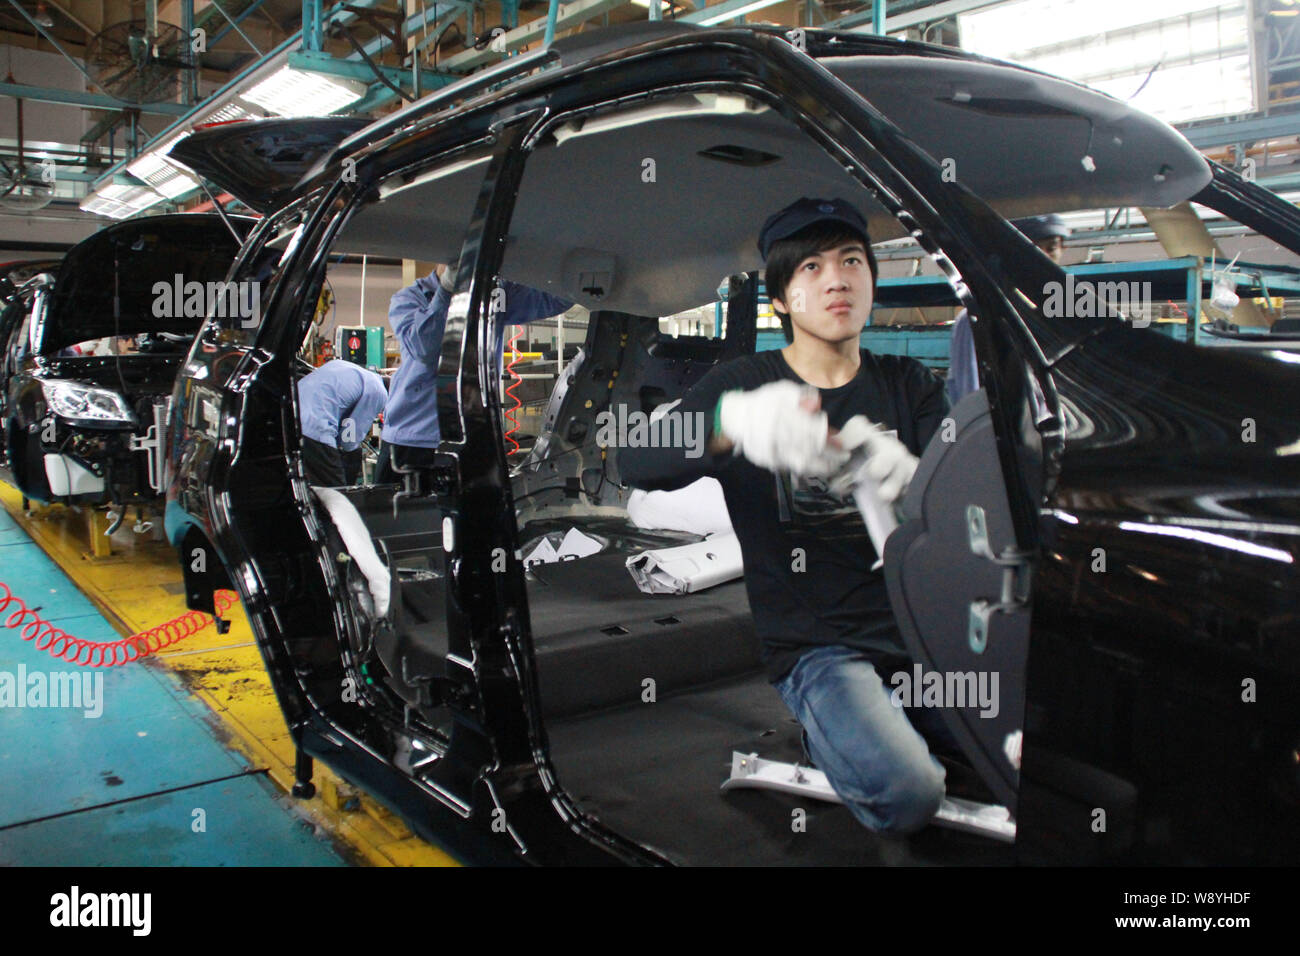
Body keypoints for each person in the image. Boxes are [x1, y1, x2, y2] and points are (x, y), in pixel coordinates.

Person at [620, 197, 954, 834]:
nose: (837, 279)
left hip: (923, 633)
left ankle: (874, 727)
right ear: (781, 298)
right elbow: (636, 462)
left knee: (1031, 746)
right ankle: (827, 733)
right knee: (910, 792)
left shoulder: (909, 382)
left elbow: (965, 505)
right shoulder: (743, 382)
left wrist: (917, 482)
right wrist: (728, 423)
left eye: (853, 261)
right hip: (820, 649)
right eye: (811, 268)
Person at [377, 264, 572, 482]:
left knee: (477, 514)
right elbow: (427, 349)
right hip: (414, 442)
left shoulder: (493, 296)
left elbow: (554, 299)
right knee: (400, 515)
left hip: (473, 439)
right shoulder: (410, 298)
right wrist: (448, 290)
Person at [946, 214, 1068, 405]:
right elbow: (971, 399)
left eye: (1051, 248)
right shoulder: (979, 318)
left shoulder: (1063, 318)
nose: (1042, 258)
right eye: (1032, 249)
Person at [298, 358, 387, 486]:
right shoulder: (379, 392)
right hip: (316, 428)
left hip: (294, 418)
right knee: (336, 491)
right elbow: (350, 437)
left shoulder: (354, 370)